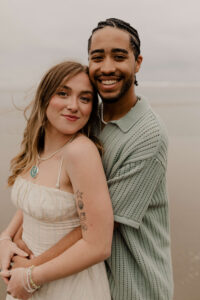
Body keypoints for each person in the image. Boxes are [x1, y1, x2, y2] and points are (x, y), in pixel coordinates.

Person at [1, 17, 174, 300]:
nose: (107, 67)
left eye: (119, 56)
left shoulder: (147, 136)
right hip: (74, 273)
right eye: (97, 57)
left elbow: (97, 230)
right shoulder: (87, 120)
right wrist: (8, 237)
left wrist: (31, 268)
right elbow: (49, 193)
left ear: (137, 62)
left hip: (131, 282)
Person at [0, 61, 113, 299]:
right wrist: (6, 237)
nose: (73, 106)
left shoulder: (79, 152)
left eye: (85, 98)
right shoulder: (38, 147)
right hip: (26, 276)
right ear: (45, 96)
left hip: (67, 286)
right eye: (63, 93)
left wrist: (31, 276)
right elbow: (34, 201)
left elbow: (98, 245)